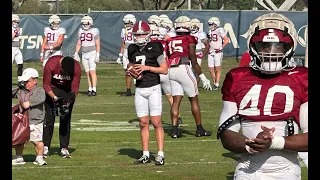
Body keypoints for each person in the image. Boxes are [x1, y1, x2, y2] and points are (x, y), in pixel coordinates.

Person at [216, 13, 308, 179]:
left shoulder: (301, 77)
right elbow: (226, 133)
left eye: (278, 46)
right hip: (247, 169)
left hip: (286, 171)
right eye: (264, 46)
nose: (271, 52)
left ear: (289, 47)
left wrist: (273, 142)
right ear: (252, 45)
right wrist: (250, 145)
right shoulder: (237, 77)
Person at [127, 21, 168, 166]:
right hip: (140, 89)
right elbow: (133, 67)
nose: (139, 37)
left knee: (156, 122)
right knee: (143, 123)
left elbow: (164, 69)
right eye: (137, 34)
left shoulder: (155, 46)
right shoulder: (131, 48)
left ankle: (160, 154)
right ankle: (145, 154)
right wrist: (131, 72)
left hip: (154, 88)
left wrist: (147, 68)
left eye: (142, 34)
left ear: (148, 34)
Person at [166, 16, 213, 138]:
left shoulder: (170, 40)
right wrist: (202, 76)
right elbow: (193, 59)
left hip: (172, 70)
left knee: (176, 101)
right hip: (184, 68)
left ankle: (175, 131)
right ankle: (199, 129)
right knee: (194, 99)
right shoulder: (189, 38)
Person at [42, 55, 81, 158]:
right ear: (60, 65)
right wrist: (55, 98)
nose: (66, 74)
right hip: (52, 90)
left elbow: (75, 88)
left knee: (65, 118)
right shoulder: (51, 64)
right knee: (49, 118)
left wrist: (68, 102)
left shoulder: (76, 67)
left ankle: (64, 147)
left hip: (67, 92)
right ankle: (45, 146)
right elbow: (46, 85)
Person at [148, 24, 183, 127]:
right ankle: (178, 117)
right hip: (166, 70)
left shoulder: (148, 45)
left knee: (152, 97)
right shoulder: (166, 42)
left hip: (154, 71)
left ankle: (155, 119)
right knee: (170, 97)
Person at [12, 68, 47, 166]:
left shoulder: (40, 90)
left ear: (35, 80)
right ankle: (19, 157)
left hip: (35, 121)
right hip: (22, 120)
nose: (25, 83)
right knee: (19, 140)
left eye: (28, 81)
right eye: (24, 81)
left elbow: (41, 98)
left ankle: (39, 157)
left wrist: (30, 103)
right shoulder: (20, 90)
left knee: (37, 141)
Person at [74, 15, 100, 96]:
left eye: (87, 23)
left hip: (92, 52)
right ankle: (89, 88)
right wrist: (76, 53)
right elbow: (79, 43)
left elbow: (98, 44)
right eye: (84, 23)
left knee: (92, 71)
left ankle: (94, 89)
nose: (85, 25)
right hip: (84, 53)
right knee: (87, 72)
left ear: (90, 23)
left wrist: (98, 54)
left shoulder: (94, 31)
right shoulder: (80, 31)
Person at [116, 14, 136, 96]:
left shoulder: (136, 30)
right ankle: (128, 90)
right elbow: (123, 43)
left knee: (135, 70)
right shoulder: (123, 31)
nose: (127, 25)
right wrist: (120, 55)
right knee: (127, 72)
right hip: (125, 51)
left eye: (129, 23)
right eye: (126, 23)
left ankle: (139, 88)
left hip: (134, 51)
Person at [207, 17, 229, 90]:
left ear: (216, 24)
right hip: (211, 51)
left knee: (217, 68)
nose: (210, 26)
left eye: (212, 24)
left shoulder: (220, 30)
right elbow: (210, 42)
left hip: (218, 52)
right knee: (210, 69)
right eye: (210, 24)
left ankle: (216, 84)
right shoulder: (210, 31)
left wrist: (220, 48)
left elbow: (226, 40)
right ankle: (214, 83)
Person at [190, 18, 210, 85]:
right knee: (188, 71)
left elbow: (207, 45)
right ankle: (190, 85)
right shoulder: (188, 33)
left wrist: (203, 55)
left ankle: (195, 87)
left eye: (194, 26)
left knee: (197, 71)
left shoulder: (201, 34)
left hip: (197, 53)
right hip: (189, 54)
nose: (192, 27)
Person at [12, 14, 24, 86]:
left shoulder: (18, 28)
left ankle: (20, 81)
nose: (16, 23)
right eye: (14, 21)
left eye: (17, 22)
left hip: (17, 49)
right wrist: (15, 33)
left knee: (20, 64)